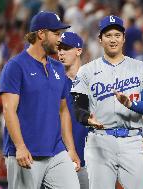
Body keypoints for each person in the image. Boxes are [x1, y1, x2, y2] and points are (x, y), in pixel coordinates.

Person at [71, 15, 143, 189]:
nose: (113, 40)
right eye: (108, 35)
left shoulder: (141, 68)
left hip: (131, 141)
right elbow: (78, 107)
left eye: (117, 35)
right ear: (100, 39)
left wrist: (131, 104)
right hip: (99, 142)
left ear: (124, 38)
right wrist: (87, 119)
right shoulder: (87, 71)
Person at [0, 11, 80, 189]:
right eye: (56, 34)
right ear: (41, 34)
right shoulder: (15, 66)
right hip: (26, 153)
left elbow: (63, 110)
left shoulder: (59, 68)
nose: (61, 39)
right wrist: (20, 146)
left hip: (56, 151)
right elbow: (8, 110)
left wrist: (71, 149)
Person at [58, 31, 90, 189]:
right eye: (59, 48)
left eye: (66, 48)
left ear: (79, 50)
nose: (61, 52)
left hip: (92, 161)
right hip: (61, 160)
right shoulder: (55, 82)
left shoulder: (93, 81)